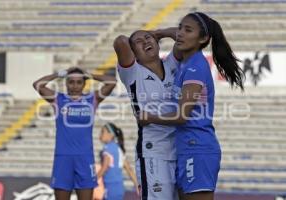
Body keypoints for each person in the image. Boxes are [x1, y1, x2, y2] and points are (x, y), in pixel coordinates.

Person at [138, 12, 245, 200]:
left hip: (198, 148)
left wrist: (150, 118)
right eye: (180, 28)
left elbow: (181, 116)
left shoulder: (195, 67)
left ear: (203, 38)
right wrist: (160, 33)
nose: (180, 33)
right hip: (187, 147)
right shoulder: (186, 63)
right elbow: (178, 35)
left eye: (188, 30)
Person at [113, 28, 182, 200]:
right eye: (138, 41)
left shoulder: (171, 63)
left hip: (182, 147)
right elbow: (120, 41)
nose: (145, 41)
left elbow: (185, 36)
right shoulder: (132, 72)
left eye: (148, 38)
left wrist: (160, 33)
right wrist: (148, 37)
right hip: (154, 151)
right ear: (133, 52)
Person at [33, 67, 116, 200]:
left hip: (85, 158)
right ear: (66, 83)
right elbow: (37, 85)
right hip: (63, 158)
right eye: (71, 82)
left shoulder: (92, 99)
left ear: (84, 84)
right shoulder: (58, 99)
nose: (75, 86)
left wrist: (90, 74)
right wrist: (58, 74)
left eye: (79, 82)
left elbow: (112, 82)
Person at [97, 122, 139, 200]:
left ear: (111, 135)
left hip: (110, 188)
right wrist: (137, 184)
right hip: (119, 188)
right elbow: (129, 169)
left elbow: (105, 167)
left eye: (103, 131)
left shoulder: (108, 148)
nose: (100, 134)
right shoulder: (119, 149)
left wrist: (93, 180)